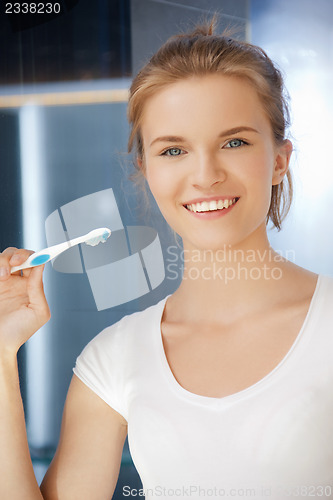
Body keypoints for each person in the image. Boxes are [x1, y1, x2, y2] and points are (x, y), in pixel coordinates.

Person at [0, 18, 332, 500]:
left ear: (280, 159)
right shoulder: (113, 358)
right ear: (146, 169)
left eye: (234, 142)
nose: (205, 175)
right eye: (174, 150)